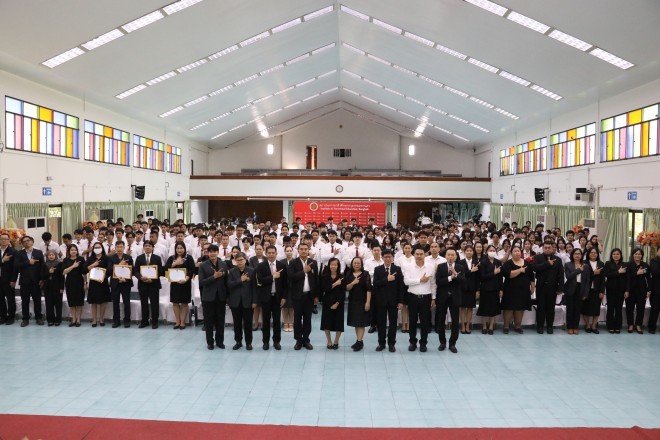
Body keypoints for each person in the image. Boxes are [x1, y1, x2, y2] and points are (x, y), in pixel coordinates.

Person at [402, 248, 436, 352]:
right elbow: (406, 281)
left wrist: (433, 298)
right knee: (412, 321)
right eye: (417, 254)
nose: (419, 256)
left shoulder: (430, 267)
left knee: (425, 322)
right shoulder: (408, 267)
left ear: (424, 255)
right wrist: (420, 280)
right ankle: (412, 342)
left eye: (421, 254)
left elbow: (433, 284)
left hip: (426, 297)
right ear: (414, 255)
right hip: (412, 297)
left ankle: (423, 343)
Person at [287, 242, 319, 350]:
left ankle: (306, 340)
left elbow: (316, 280)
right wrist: (303, 271)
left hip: (309, 296)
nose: (304, 251)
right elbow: (291, 278)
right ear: (298, 250)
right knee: (297, 319)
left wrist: (316, 295)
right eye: (302, 249)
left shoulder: (313, 263)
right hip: (297, 296)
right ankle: (298, 340)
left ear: (308, 250)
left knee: (307, 319)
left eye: (306, 249)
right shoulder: (293, 262)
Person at [255, 245, 287, 350]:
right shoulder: (261, 266)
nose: (271, 255)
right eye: (269, 253)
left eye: (273, 253)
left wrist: (284, 297)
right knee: (266, 321)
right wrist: (272, 277)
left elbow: (285, 283)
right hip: (266, 297)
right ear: (266, 254)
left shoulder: (282, 265)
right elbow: (260, 280)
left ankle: (276, 342)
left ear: (276, 253)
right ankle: (265, 342)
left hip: (277, 298)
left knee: (277, 321)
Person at [372, 250, 404, 352]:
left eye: (390, 257)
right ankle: (381, 343)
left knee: (393, 323)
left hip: (394, 301)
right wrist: (386, 279)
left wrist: (401, 301)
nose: (388, 259)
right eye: (385, 257)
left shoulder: (397, 269)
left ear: (393, 258)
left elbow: (401, 286)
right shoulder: (377, 269)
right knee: (381, 323)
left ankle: (391, 344)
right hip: (380, 301)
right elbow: (375, 283)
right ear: (382, 258)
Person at [198, 244, 229, 350]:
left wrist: (227, 296)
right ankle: (210, 342)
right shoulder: (203, 265)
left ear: (217, 252)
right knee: (209, 321)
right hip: (208, 297)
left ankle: (220, 342)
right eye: (210, 251)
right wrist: (214, 277)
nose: (212, 253)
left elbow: (226, 281)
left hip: (221, 296)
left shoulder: (223, 264)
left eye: (214, 251)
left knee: (220, 320)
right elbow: (201, 282)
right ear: (208, 253)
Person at [531, 240, 564, 334]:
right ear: (543, 248)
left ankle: (550, 326)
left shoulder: (558, 259)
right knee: (540, 307)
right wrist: (547, 263)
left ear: (553, 248)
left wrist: (560, 288)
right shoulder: (537, 257)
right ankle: (540, 326)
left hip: (553, 287)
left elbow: (561, 274)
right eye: (545, 248)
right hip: (541, 286)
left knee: (550, 308)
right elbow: (535, 268)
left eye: (549, 248)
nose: (547, 249)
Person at [435, 249, 465, 353]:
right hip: (442, 297)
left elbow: (463, 281)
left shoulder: (460, 267)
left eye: (453, 255)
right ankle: (442, 342)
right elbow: (438, 281)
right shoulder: (440, 266)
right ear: (445, 256)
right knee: (441, 321)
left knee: (455, 321)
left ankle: (452, 343)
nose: (451, 257)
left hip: (455, 298)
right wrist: (450, 278)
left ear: (456, 256)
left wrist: (456, 275)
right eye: (449, 255)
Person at [227, 252, 257, 350]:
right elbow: (229, 284)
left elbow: (254, 287)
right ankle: (238, 341)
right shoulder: (232, 271)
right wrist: (240, 280)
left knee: (248, 324)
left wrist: (254, 301)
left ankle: (249, 343)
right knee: (237, 323)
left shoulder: (251, 271)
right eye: (237, 260)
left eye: (241, 260)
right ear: (235, 261)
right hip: (235, 301)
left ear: (245, 260)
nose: (239, 262)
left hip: (248, 301)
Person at [501, 246, 535, 334]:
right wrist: (519, 270)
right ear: (511, 253)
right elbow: (508, 275)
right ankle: (506, 326)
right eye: (515, 251)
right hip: (510, 290)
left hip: (523, 290)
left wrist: (532, 286)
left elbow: (531, 276)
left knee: (520, 308)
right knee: (509, 308)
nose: (517, 252)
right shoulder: (508, 263)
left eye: (518, 251)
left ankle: (518, 326)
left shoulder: (527, 263)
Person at [133, 241, 164, 329]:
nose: (147, 247)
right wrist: (141, 277)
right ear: (143, 247)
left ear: (153, 247)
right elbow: (136, 271)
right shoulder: (139, 258)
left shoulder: (157, 258)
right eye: (146, 246)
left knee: (154, 303)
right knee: (144, 303)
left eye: (149, 246)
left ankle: (155, 321)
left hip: (154, 284)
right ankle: (144, 321)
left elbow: (160, 271)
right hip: (142, 284)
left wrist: (152, 279)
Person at [15, 236, 45, 326]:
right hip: (25, 281)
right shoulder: (19, 253)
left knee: (37, 301)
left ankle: (38, 317)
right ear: (22, 244)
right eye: (24, 241)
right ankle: (25, 319)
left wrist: (42, 279)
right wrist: (28, 262)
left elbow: (42, 266)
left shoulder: (39, 252)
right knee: (25, 301)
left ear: (32, 241)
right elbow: (16, 265)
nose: (26, 242)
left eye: (28, 240)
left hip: (36, 281)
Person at [164, 241, 195, 330]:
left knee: (184, 303)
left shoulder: (189, 258)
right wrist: (174, 264)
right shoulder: (172, 258)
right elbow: (165, 268)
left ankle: (183, 322)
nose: (179, 250)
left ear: (184, 249)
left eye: (181, 248)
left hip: (185, 283)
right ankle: (177, 321)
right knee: (175, 303)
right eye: (177, 248)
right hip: (174, 283)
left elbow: (192, 269)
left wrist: (186, 279)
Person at [344, 257, 372, 351]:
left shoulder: (365, 274)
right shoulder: (348, 274)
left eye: (358, 263)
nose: (356, 264)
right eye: (355, 263)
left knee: (361, 323)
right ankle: (359, 341)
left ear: (361, 264)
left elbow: (369, 289)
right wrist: (353, 283)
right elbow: (347, 288)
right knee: (356, 322)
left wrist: (368, 302)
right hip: (352, 301)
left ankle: (359, 342)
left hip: (362, 301)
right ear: (352, 264)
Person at [624, 248, 651, 334]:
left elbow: (649, 278)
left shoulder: (645, 265)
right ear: (633, 255)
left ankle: (638, 325)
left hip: (642, 291)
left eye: (639, 254)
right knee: (629, 308)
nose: (637, 255)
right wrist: (636, 273)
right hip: (630, 290)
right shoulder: (628, 265)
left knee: (641, 309)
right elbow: (627, 277)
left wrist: (649, 290)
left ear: (642, 255)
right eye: (636, 254)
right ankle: (630, 325)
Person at [563, 249, 590, 335]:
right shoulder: (568, 264)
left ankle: (575, 327)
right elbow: (568, 276)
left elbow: (587, 281)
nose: (577, 255)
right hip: (570, 289)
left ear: (581, 255)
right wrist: (578, 270)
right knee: (570, 309)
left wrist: (586, 293)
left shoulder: (586, 266)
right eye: (575, 254)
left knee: (577, 309)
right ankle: (570, 327)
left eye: (579, 254)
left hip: (580, 288)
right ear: (572, 255)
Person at [108, 241, 134, 328]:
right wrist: (119, 264)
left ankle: (127, 320)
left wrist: (125, 279)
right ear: (115, 248)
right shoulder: (111, 258)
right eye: (118, 247)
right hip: (115, 283)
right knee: (115, 303)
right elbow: (109, 270)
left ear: (124, 248)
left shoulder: (128, 257)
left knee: (126, 302)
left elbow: (132, 270)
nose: (119, 248)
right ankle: (116, 320)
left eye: (121, 247)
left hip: (125, 283)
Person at [320, 258, 345, 349]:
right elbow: (324, 289)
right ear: (329, 265)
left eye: (335, 265)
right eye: (332, 264)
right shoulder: (325, 276)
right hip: (327, 302)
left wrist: (337, 303)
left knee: (339, 323)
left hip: (339, 303)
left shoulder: (342, 277)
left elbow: (343, 292)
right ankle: (329, 341)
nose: (333, 266)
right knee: (327, 323)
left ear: (338, 266)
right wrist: (335, 284)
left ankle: (336, 341)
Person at [478, 245, 502, 334]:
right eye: (490, 250)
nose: (492, 252)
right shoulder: (483, 262)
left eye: (493, 250)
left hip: (495, 288)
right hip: (485, 288)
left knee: (493, 308)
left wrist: (501, 289)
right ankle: (484, 326)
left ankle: (491, 326)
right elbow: (482, 277)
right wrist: (493, 273)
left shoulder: (498, 262)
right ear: (487, 251)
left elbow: (500, 277)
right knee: (484, 307)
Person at [61, 244, 87, 327]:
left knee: (79, 302)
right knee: (71, 302)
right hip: (70, 282)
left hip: (79, 282)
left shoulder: (81, 259)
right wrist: (73, 266)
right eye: (72, 250)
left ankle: (78, 319)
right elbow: (64, 272)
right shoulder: (66, 260)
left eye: (75, 250)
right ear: (69, 251)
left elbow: (84, 272)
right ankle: (73, 319)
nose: (74, 251)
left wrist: (85, 283)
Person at [86, 242, 111, 327]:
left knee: (103, 301)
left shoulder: (106, 258)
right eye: (95, 247)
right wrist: (93, 265)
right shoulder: (90, 258)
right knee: (93, 302)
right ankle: (94, 319)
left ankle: (101, 319)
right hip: (93, 282)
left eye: (99, 247)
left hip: (103, 282)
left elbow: (109, 270)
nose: (97, 249)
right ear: (93, 249)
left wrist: (103, 274)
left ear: (102, 248)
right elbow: (84, 269)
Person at [603, 248, 627, 334]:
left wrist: (626, 290)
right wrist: (618, 272)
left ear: (620, 255)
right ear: (611, 255)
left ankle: (618, 326)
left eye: (617, 254)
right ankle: (610, 326)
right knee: (610, 308)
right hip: (610, 289)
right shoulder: (608, 263)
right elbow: (606, 274)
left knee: (619, 308)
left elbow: (627, 278)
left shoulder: (624, 264)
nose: (616, 255)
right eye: (614, 254)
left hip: (621, 290)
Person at [582, 248, 605, 333]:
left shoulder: (601, 263)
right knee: (585, 308)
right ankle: (587, 325)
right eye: (591, 252)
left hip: (597, 289)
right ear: (588, 254)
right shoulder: (584, 263)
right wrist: (593, 273)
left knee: (596, 308)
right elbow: (583, 276)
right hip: (586, 289)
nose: (593, 254)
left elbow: (603, 279)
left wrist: (602, 291)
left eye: (595, 252)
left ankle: (594, 325)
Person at [458, 245, 479, 334]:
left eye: (471, 250)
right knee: (463, 308)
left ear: (473, 252)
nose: (469, 252)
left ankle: (468, 326)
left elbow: (478, 278)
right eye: (467, 250)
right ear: (465, 252)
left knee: (470, 308)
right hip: (463, 288)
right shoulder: (460, 262)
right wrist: (471, 271)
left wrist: (477, 290)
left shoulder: (476, 262)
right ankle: (463, 326)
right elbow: (460, 276)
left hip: (472, 289)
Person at [40, 250, 64, 326]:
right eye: (49, 255)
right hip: (47, 287)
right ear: (47, 256)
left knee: (58, 304)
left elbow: (62, 277)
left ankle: (58, 320)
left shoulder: (59, 264)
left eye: (53, 255)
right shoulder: (44, 264)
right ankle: (50, 320)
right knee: (49, 304)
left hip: (57, 287)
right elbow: (42, 276)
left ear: (56, 256)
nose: (51, 256)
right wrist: (49, 272)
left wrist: (62, 287)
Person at [0, 233, 18, 324]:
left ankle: (11, 317)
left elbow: (15, 268)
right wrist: (2, 260)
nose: (3, 240)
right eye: (1, 239)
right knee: (1, 299)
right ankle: (3, 316)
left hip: (8, 280)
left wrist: (13, 280)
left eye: (5, 239)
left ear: (9, 240)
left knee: (10, 299)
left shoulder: (13, 251)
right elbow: (2, 261)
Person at [280, 245, 295, 332]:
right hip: (283, 287)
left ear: (292, 252)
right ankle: (285, 322)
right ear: (285, 252)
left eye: (290, 251)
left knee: (292, 306)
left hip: (293, 287)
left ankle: (291, 323)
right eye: (287, 251)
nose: (289, 252)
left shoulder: (296, 262)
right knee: (285, 306)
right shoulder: (281, 262)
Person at [648, 247, 660, 334]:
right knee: (655, 309)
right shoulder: (654, 260)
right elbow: (655, 271)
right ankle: (652, 327)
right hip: (656, 289)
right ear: (657, 252)